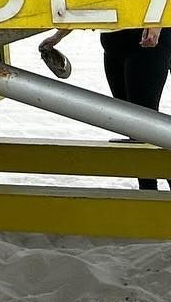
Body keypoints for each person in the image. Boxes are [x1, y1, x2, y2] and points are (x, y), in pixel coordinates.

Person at [39, 24, 169, 190]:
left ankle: (149, 191)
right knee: (131, 128)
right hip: (113, 44)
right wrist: (58, 36)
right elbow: (85, 9)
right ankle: (148, 192)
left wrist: (157, 26)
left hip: (146, 41)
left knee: (146, 128)